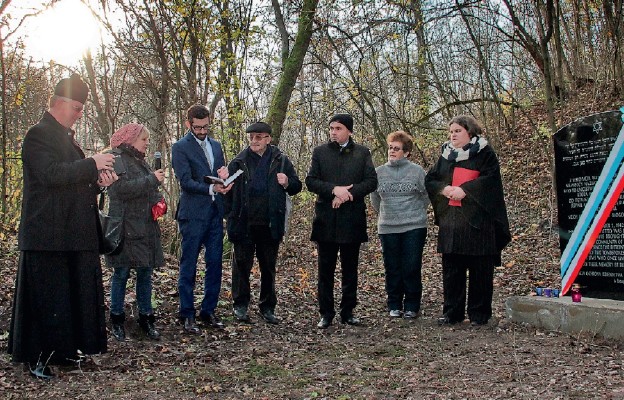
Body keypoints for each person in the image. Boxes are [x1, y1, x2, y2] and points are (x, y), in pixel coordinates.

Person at [8, 74, 117, 378]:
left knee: (68, 296)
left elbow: (72, 181)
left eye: (82, 109)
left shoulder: (68, 140)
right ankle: (37, 357)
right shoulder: (38, 135)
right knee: (46, 296)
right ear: (58, 104)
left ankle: (64, 352)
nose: (80, 114)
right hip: (47, 232)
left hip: (71, 231)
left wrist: (98, 183)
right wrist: (92, 164)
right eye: (76, 108)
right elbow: (51, 175)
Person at [425, 115, 511, 326]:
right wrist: (444, 189)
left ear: (470, 133)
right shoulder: (446, 155)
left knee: (480, 270)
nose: (452, 135)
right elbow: (431, 179)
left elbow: (491, 181)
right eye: (451, 131)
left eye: (457, 131)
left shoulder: (485, 153)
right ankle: (452, 313)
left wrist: (465, 190)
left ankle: (479, 314)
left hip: (479, 223)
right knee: (452, 271)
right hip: (451, 221)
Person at [224, 122, 302, 324]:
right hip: (244, 223)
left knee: (268, 267)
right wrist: (230, 215)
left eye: (258, 137)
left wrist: (286, 182)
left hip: (270, 223)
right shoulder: (238, 163)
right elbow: (226, 192)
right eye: (251, 137)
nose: (254, 141)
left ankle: (267, 307)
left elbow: (296, 186)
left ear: (268, 139)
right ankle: (240, 305)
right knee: (241, 266)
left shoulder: (281, 161)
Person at [305, 113, 378, 329]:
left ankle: (348, 312)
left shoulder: (362, 153)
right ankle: (326, 313)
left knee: (350, 269)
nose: (334, 132)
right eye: (331, 128)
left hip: (351, 219)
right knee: (325, 270)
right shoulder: (320, 152)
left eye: (338, 128)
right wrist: (333, 190)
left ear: (349, 131)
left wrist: (349, 194)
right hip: (326, 219)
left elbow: (371, 181)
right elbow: (311, 181)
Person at [171, 104, 231, 334]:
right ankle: (187, 313)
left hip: (215, 214)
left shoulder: (216, 146)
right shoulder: (180, 147)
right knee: (189, 264)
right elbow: (185, 181)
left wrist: (224, 181)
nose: (202, 131)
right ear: (189, 124)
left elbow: (218, 173)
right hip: (193, 215)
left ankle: (209, 310)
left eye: (206, 126)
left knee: (215, 264)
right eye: (197, 127)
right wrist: (212, 189)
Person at [105, 123, 165, 341]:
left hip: (145, 227)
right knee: (121, 273)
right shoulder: (116, 159)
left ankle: (146, 318)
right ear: (130, 139)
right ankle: (117, 319)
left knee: (145, 273)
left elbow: (149, 189)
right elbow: (119, 190)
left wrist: (159, 202)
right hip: (123, 228)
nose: (147, 144)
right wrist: (152, 180)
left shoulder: (141, 161)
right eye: (143, 140)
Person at [370, 131, 428, 319]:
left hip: (414, 226)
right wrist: (387, 215)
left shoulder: (417, 171)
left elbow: (427, 195)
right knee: (392, 267)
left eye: (397, 148)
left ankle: (412, 305)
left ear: (407, 152)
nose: (392, 151)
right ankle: (394, 304)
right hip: (387, 227)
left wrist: (414, 211)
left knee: (411, 266)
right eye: (390, 148)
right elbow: (374, 199)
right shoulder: (378, 172)